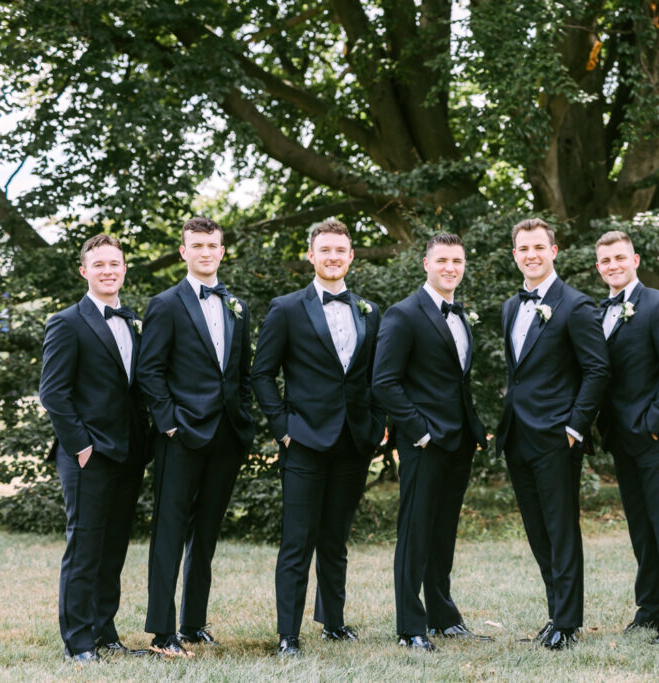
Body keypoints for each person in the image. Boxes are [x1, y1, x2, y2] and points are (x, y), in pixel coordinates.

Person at [250, 221, 385, 656]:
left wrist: (377, 423)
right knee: (297, 542)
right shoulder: (287, 308)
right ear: (311, 255)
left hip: (354, 442)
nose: (333, 256)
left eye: (340, 250)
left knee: (335, 539)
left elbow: (377, 376)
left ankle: (334, 621)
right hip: (304, 440)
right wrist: (283, 429)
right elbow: (262, 374)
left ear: (350, 255)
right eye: (324, 249)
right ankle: (288, 634)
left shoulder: (369, 310)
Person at [137, 217, 255, 657]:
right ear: (184, 251)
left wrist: (242, 418)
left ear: (223, 250)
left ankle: (193, 622)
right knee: (169, 532)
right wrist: (169, 422)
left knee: (206, 533)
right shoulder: (166, 303)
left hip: (227, 436)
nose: (206, 252)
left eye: (213, 245)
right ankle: (162, 631)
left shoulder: (236, 304)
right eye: (198, 246)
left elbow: (241, 371)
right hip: (180, 435)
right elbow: (149, 371)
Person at [372, 233, 489, 652]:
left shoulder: (459, 315)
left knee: (443, 533)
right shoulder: (403, 314)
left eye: (457, 261)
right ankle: (410, 627)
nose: (450, 268)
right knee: (415, 534)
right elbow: (384, 382)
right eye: (442, 260)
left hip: (459, 443)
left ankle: (443, 617)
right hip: (425, 443)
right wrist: (418, 431)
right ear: (425, 263)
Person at [497, 218, 609, 650]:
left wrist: (575, 426)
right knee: (537, 531)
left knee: (562, 530)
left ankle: (568, 622)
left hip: (557, 436)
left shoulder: (576, 305)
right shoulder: (510, 307)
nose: (531, 255)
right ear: (515, 255)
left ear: (554, 251)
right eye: (523, 248)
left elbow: (597, 370)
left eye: (539, 247)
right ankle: (555, 613)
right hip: (517, 436)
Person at [39, 234, 150, 664]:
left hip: (128, 454)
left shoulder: (133, 320)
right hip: (87, 455)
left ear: (124, 269)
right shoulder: (66, 321)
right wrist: (81, 446)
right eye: (99, 264)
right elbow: (53, 393)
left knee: (113, 550)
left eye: (115, 263)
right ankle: (78, 643)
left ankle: (105, 633)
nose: (108, 270)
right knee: (84, 550)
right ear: (84, 271)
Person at [593, 230, 659, 645]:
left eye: (620, 257)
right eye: (605, 261)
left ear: (634, 260)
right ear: (599, 268)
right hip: (620, 437)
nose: (613, 265)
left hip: (656, 437)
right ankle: (648, 609)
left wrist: (654, 422)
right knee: (641, 527)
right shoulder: (600, 311)